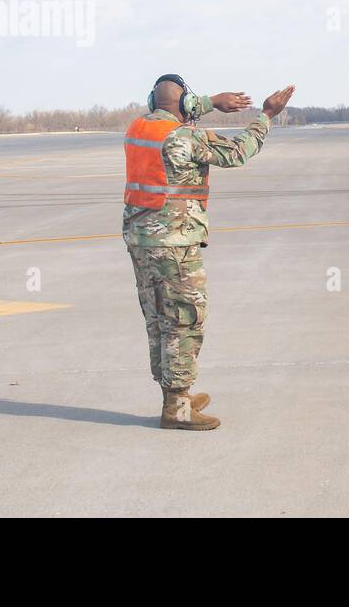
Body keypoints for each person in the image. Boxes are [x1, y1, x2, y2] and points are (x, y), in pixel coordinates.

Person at [123, 75, 295, 430]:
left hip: (141, 241)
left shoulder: (137, 129)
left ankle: (175, 397)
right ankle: (177, 409)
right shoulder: (185, 138)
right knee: (184, 320)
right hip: (174, 244)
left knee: (158, 320)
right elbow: (236, 152)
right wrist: (265, 115)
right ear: (185, 106)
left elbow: (172, 105)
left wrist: (210, 101)